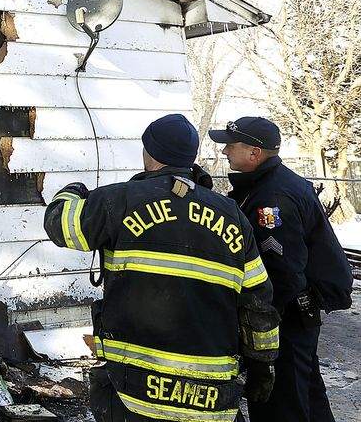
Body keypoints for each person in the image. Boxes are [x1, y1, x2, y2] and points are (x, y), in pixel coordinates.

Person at [44, 114, 280, 422]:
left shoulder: (120, 202)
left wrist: (72, 191)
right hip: (209, 400)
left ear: (149, 152)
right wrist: (263, 365)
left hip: (134, 395)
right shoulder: (232, 216)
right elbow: (258, 303)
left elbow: (60, 224)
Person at [208, 117, 353, 422]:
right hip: (298, 313)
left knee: (281, 403)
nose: (223, 151)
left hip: (286, 316)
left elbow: (283, 274)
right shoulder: (273, 184)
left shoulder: (272, 200)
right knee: (306, 395)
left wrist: (258, 324)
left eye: (230, 145)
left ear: (254, 153)